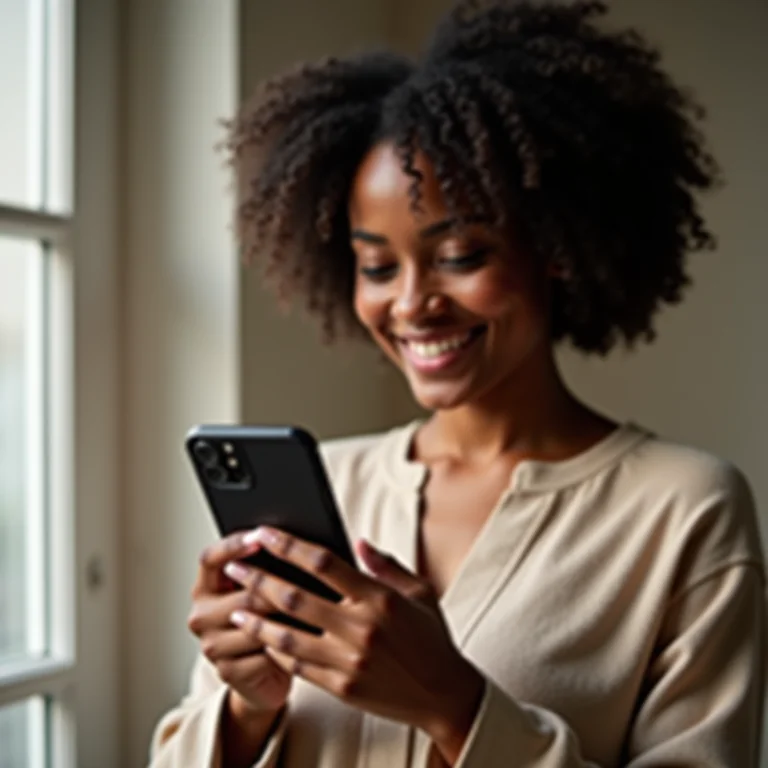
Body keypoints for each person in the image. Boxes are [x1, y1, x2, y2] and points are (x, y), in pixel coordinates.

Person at [149, 1, 766, 766]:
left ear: (557, 247)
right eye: (377, 266)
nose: (410, 303)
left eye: (462, 254)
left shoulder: (684, 512)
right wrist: (246, 703)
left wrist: (453, 704)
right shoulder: (323, 489)